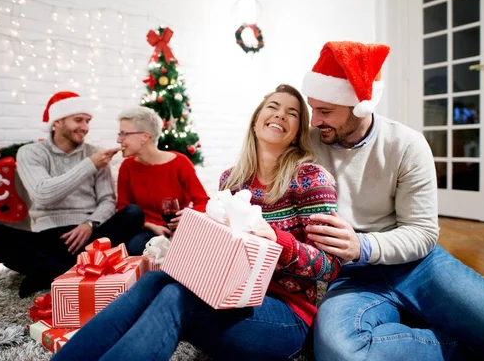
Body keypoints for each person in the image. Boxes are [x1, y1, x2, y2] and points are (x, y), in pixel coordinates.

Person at [52, 84, 341, 361]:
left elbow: (330, 266)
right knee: (157, 279)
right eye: (273, 107)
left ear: (297, 132)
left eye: (292, 113)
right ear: (255, 122)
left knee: (177, 298)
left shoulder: (310, 178)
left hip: (285, 316)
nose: (280, 114)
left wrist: (276, 239)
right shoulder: (232, 179)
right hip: (228, 293)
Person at [301, 41, 484, 360]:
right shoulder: (308, 145)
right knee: (339, 351)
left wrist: (362, 246)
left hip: (418, 265)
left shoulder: (406, 145)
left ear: (358, 106)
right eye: (312, 108)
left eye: (325, 111)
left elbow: (422, 233)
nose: (314, 121)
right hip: (350, 276)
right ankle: (466, 346)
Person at [0, 91, 145, 298]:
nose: (85, 127)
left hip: (90, 236)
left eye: (87, 121)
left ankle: (48, 272)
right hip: (49, 237)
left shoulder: (95, 152)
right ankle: (74, 271)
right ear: (57, 122)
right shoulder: (31, 152)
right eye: (78, 120)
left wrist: (90, 224)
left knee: (133, 213)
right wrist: (89, 165)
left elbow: (107, 200)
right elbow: (43, 194)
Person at [115, 106, 209, 254]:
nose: (118, 139)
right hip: (146, 232)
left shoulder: (180, 163)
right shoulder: (127, 167)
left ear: (144, 137)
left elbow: (203, 201)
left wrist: (188, 216)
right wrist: (150, 225)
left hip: (180, 230)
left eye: (124, 134)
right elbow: (123, 209)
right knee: (135, 247)